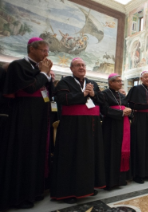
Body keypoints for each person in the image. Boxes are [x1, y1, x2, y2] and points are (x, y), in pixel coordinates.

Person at [0, 37, 53, 210]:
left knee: (37, 153)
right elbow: (30, 88)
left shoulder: (40, 68)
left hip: (39, 116)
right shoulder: (18, 65)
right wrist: (44, 74)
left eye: (47, 51)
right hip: (23, 116)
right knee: (23, 154)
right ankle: (20, 196)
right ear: (32, 49)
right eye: (44, 50)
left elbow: (47, 93)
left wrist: (48, 77)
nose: (47, 54)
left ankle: (35, 192)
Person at [51, 57, 105, 203]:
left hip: (91, 125)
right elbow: (61, 98)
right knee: (71, 156)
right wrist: (83, 95)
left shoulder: (92, 83)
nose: (81, 67)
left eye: (83, 65)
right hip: (72, 127)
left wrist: (93, 94)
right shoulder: (65, 82)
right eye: (78, 65)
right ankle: (68, 192)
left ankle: (87, 188)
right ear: (71, 68)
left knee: (88, 156)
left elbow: (101, 99)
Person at [125, 71, 148, 184]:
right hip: (140, 120)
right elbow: (130, 104)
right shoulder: (136, 89)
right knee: (140, 146)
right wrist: (147, 104)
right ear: (141, 78)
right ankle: (138, 174)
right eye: (146, 77)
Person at [100, 73, 132, 189]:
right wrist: (121, 113)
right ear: (111, 82)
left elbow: (128, 108)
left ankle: (120, 179)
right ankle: (109, 181)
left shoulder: (122, 96)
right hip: (110, 127)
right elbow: (104, 110)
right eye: (118, 81)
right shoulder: (104, 94)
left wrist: (129, 111)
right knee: (110, 151)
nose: (121, 83)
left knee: (120, 151)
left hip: (123, 126)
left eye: (121, 81)